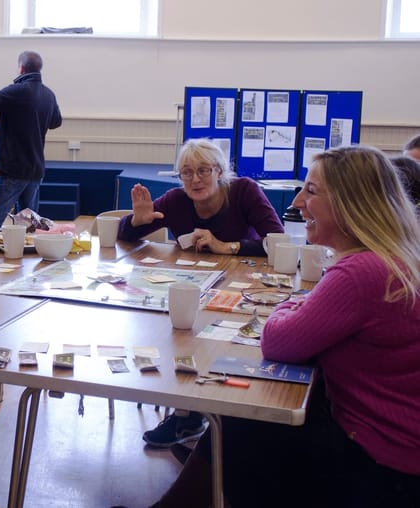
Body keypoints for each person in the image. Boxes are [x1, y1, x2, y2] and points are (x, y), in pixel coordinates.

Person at [149, 145, 420, 508]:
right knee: (240, 421)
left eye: (311, 190)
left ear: (348, 202)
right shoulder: (390, 254)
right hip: (396, 444)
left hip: (383, 462)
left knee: (242, 420)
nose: (298, 200)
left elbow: (277, 339)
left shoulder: (359, 272)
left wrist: (292, 302)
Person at [118, 138, 285, 449]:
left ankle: (225, 414)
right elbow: (126, 236)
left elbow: (278, 240)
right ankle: (187, 416)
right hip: (195, 286)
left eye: (204, 171)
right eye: (187, 173)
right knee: (178, 334)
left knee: (223, 343)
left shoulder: (244, 191)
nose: (195, 180)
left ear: (219, 171)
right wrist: (135, 221)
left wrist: (229, 247)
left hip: (243, 288)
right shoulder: (176, 200)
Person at [0, 50, 62, 229]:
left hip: (14, 169)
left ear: (21, 68)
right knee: (29, 222)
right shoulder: (49, 94)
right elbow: (56, 122)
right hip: (35, 169)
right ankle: (25, 256)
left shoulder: (16, 91)